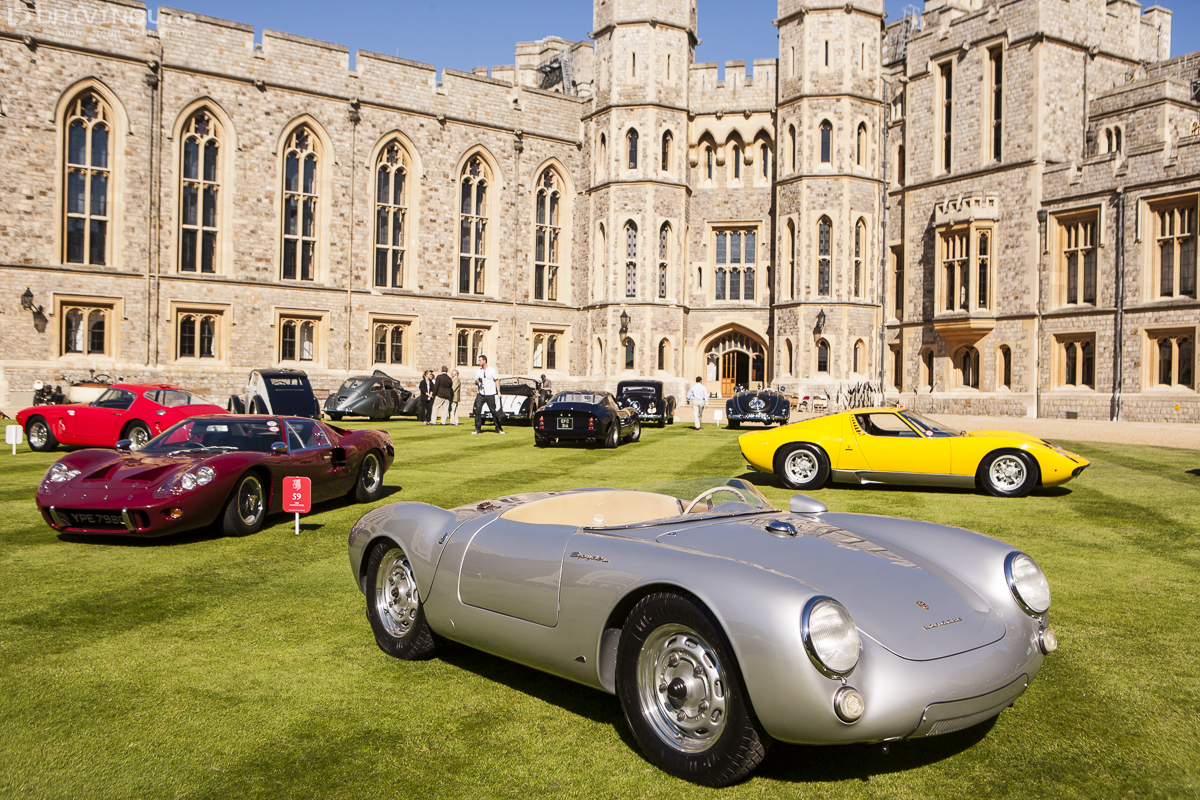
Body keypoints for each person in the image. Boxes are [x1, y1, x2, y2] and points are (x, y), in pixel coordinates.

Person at [472, 355, 504, 434]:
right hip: (481, 393)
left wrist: (498, 392)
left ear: (484, 361)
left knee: (493, 411)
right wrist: (476, 382)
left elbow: (496, 381)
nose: (479, 362)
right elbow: (476, 381)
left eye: (480, 360)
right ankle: (477, 429)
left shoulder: (492, 370)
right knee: (477, 411)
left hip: (490, 393)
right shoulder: (478, 371)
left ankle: (498, 428)